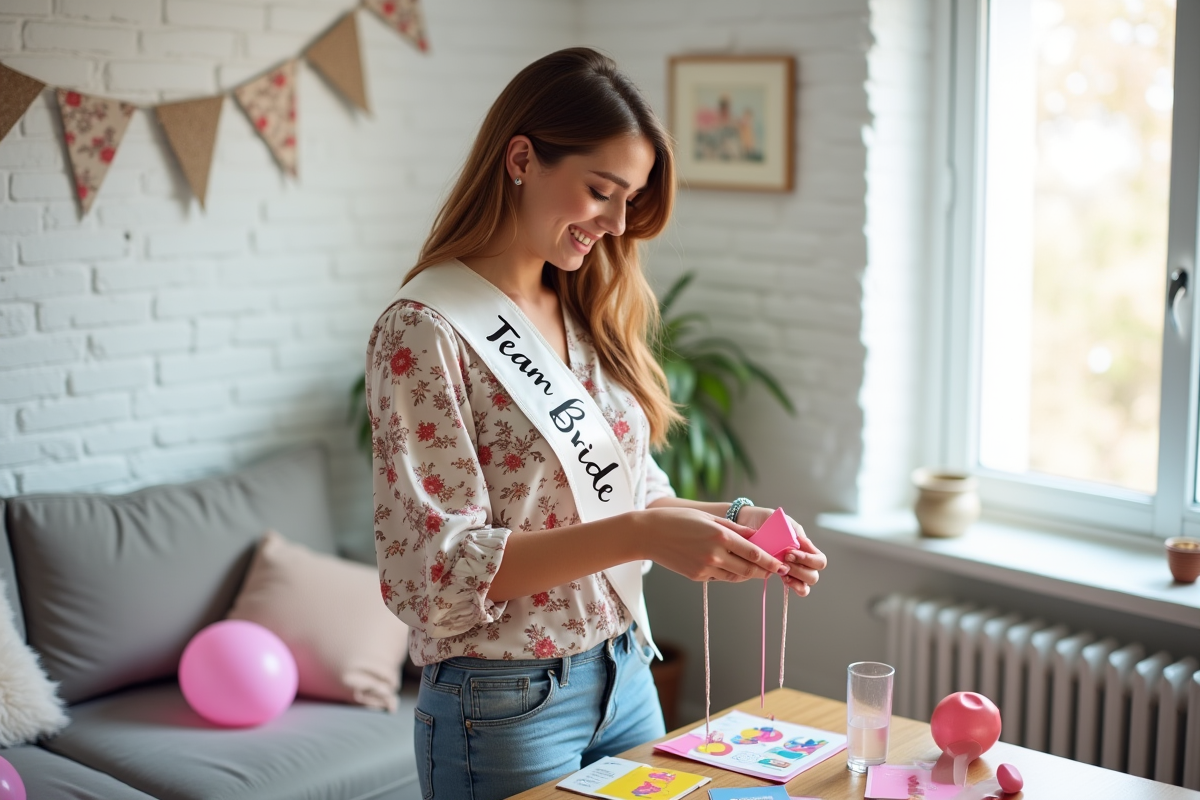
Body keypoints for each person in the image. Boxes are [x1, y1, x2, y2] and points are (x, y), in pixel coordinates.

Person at [365, 47, 827, 800]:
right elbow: (436, 572)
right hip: (504, 702)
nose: (616, 223)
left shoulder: (586, 311)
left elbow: (628, 496)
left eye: (630, 198)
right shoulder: (426, 329)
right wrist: (645, 536)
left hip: (626, 674)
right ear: (522, 158)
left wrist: (738, 522)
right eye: (601, 191)